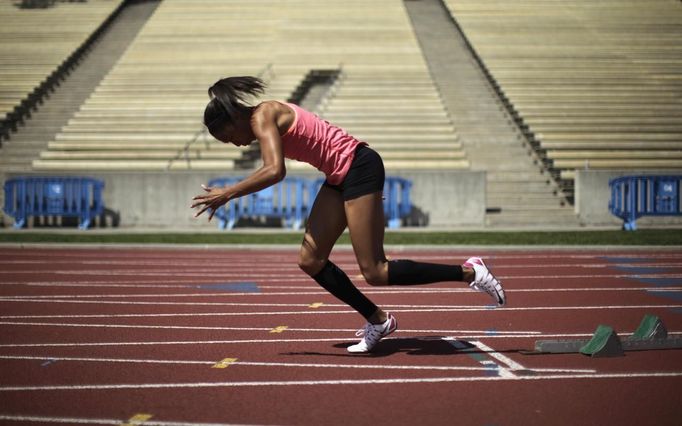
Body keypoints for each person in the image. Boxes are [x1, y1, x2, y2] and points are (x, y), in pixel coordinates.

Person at [191, 76, 506, 353]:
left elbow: (275, 171)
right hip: (338, 176)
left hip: (360, 166)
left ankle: (469, 272)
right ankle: (379, 321)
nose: (234, 144)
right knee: (310, 261)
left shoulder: (263, 116)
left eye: (227, 137)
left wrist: (228, 192)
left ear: (233, 119)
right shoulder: (263, 117)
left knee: (376, 271)